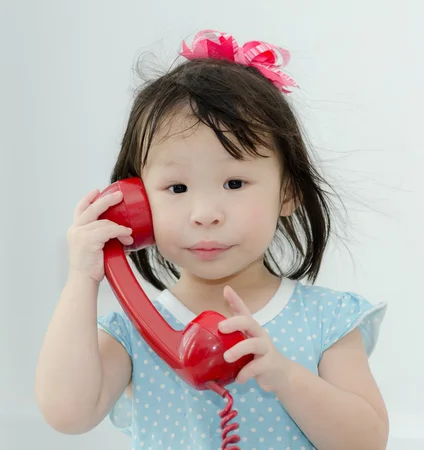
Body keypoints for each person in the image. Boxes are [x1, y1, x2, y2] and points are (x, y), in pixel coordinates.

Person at [35, 29, 389, 450]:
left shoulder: (327, 321)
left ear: (288, 192)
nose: (205, 214)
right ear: (138, 202)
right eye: (177, 188)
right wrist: (82, 279)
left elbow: (367, 442)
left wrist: (286, 377)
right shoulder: (131, 333)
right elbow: (67, 414)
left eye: (235, 182)